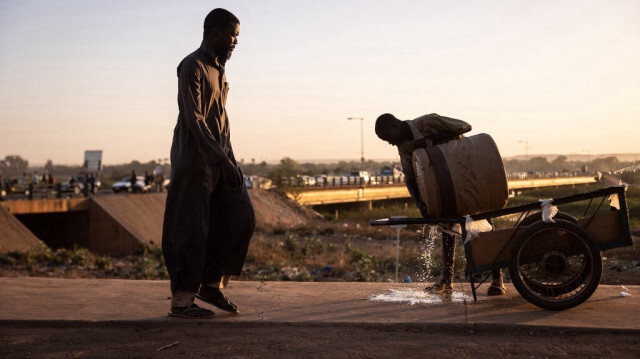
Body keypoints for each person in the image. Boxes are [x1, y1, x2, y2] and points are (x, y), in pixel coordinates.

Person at [162, 8, 255, 319]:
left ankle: (211, 285)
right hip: (194, 160)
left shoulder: (219, 70)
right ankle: (182, 300)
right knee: (189, 228)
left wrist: (230, 159)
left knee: (240, 217)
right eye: (233, 35)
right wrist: (220, 158)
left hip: (220, 158)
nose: (235, 42)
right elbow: (195, 119)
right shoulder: (192, 65)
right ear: (215, 32)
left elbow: (220, 121)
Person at [375, 113, 506, 296]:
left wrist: (430, 142)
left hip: (468, 178)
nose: (389, 143)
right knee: (447, 231)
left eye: (388, 138)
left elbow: (465, 126)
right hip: (443, 188)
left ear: (396, 125)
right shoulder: (403, 146)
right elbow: (410, 178)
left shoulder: (427, 122)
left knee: (486, 228)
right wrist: (422, 205)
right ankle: (447, 281)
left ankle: (497, 280)